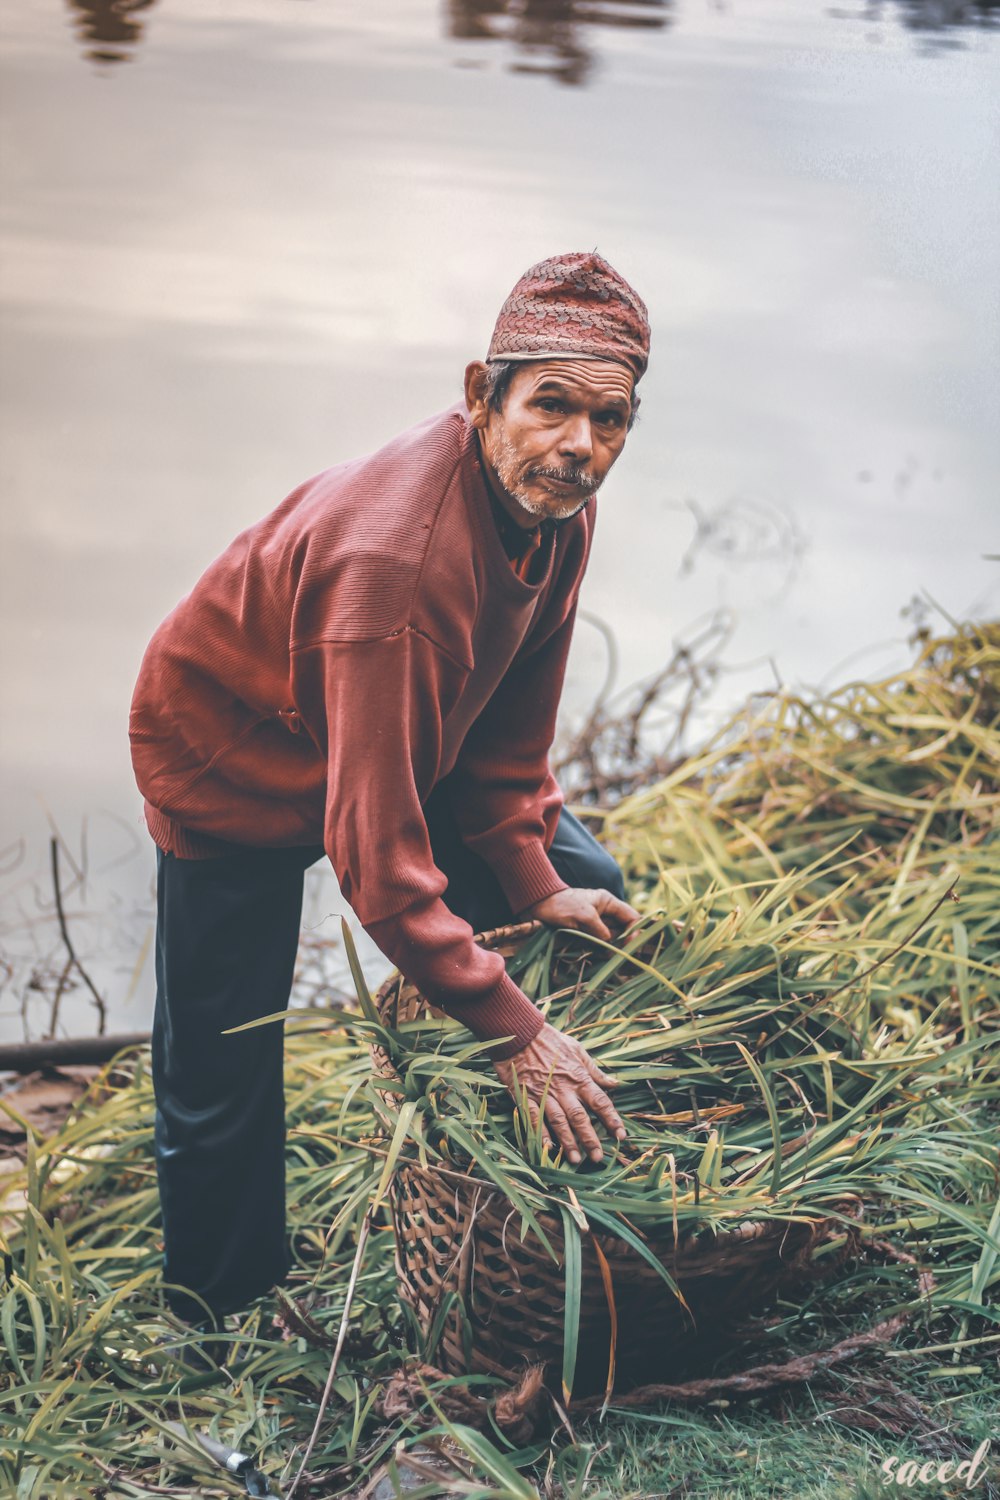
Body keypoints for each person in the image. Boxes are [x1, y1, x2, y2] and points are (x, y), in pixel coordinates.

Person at [129, 251, 650, 1325]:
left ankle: (532, 1207)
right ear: (479, 396)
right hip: (233, 750)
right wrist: (514, 1032)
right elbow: (378, 858)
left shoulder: (557, 506)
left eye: (610, 419)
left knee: (577, 880)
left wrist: (528, 874)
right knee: (223, 1056)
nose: (580, 446)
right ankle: (219, 1312)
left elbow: (508, 738)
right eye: (551, 406)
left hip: (395, 718)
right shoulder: (392, 571)